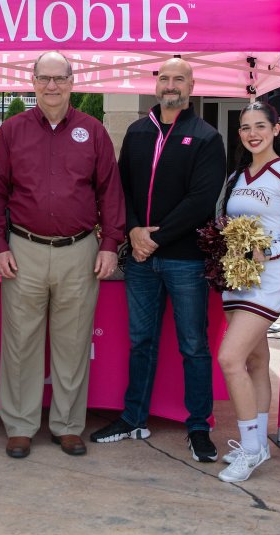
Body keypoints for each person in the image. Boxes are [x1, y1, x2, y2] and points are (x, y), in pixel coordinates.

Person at [0, 50, 125, 459]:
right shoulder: (11, 131)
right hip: (23, 250)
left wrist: (110, 244)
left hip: (79, 252)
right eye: (44, 78)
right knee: (21, 343)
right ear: (32, 81)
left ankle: (67, 425)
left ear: (71, 82)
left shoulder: (93, 131)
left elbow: (109, 193)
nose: (51, 86)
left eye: (59, 78)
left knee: (73, 342)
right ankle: (20, 426)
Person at [92, 58, 226, 462]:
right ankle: (133, 417)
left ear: (191, 85)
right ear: (157, 84)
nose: (171, 85)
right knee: (141, 342)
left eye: (179, 79)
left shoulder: (206, 136)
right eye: (165, 78)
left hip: (184, 259)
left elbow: (201, 200)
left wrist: (156, 238)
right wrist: (133, 231)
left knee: (193, 345)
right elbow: (121, 187)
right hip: (140, 259)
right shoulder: (136, 132)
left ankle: (199, 426)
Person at [216, 101, 280, 482]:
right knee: (255, 362)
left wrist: (268, 251)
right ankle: (259, 447)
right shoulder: (237, 176)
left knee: (229, 358)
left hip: (268, 281)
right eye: (245, 127)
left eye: (260, 126)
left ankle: (251, 448)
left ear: (277, 129)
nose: (252, 133)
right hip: (236, 279)